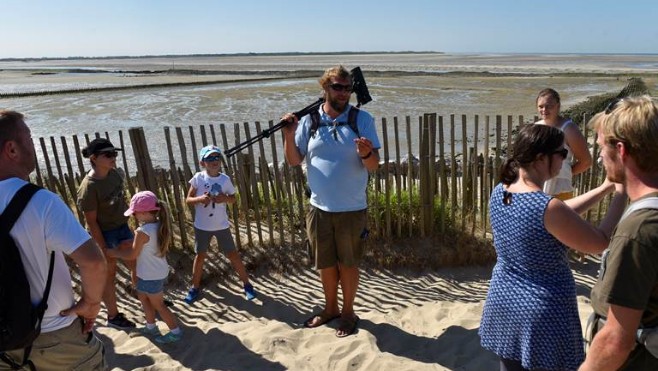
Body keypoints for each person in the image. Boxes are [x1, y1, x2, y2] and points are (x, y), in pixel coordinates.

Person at [478, 124, 627, 371]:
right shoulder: (546, 207)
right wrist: (621, 193)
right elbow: (599, 241)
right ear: (540, 158)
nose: (566, 159)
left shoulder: (501, 191)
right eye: (562, 153)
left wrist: (604, 188)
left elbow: (558, 215)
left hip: (504, 301)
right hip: (541, 313)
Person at [0, 110, 107, 370]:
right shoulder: (40, 201)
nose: (33, 144)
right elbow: (93, 262)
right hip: (52, 334)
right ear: (12, 149)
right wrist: (91, 304)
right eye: (29, 137)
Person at [281, 65, 380, 338]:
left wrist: (366, 153)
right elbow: (293, 160)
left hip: (352, 208)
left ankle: (348, 313)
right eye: (337, 87)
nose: (343, 92)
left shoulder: (362, 119)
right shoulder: (310, 121)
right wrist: (289, 135)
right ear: (325, 87)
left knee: (348, 264)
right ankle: (330, 309)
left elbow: (373, 166)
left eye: (348, 88)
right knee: (325, 264)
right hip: (319, 207)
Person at [580, 96, 658, 370]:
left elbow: (615, 341)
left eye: (601, 147)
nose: (599, 156)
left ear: (621, 150)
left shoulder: (638, 229)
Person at [76, 138, 137, 328]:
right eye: (108, 155)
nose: (114, 158)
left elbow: (122, 200)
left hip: (122, 228)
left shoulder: (115, 174)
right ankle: (113, 316)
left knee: (137, 264)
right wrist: (103, 247)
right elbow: (91, 222)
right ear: (94, 158)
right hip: (105, 233)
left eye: (115, 153)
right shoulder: (89, 187)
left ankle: (148, 297)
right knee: (109, 275)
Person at [183, 145, 256, 304]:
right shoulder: (198, 178)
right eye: (210, 158)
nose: (214, 161)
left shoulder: (225, 179)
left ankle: (247, 285)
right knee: (200, 256)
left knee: (233, 255)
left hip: (221, 225)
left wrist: (225, 199)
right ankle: (194, 288)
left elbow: (233, 198)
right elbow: (188, 200)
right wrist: (200, 199)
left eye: (217, 158)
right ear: (203, 163)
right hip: (202, 226)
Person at [107, 191, 182, 344]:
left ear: (143, 212)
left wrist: (115, 252)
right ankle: (150, 326)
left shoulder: (142, 232)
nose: (134, 216)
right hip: (155, 272)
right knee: (143, 298)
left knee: (159, 305)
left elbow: (132, 255)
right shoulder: (160, 225)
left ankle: (175, 332)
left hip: (149, 275)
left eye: (135, 213)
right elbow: (146, 248)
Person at [535, 88, 593, 200]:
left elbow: (586, 161)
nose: (544, 110)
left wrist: (564, 172)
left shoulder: (569, 129)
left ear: (558, 106)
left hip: (560, 190)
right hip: (538, 189)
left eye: (549, 106)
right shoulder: (536, 127)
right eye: (541, 106)